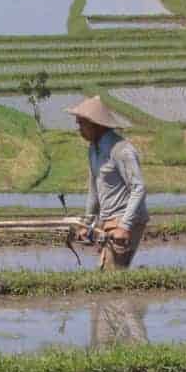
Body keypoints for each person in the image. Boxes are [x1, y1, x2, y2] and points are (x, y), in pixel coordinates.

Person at [66, 96, 148, 270]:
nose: (79, 129)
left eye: (82, 124)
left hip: (126, 220)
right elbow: (94, 190)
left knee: (110, 272)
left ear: (96, 124)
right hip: (108, 220)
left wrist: (125, 226)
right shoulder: (93, 150)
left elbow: (138, 188)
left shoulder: (122, 150)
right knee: (108, 272)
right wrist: (87, 224)